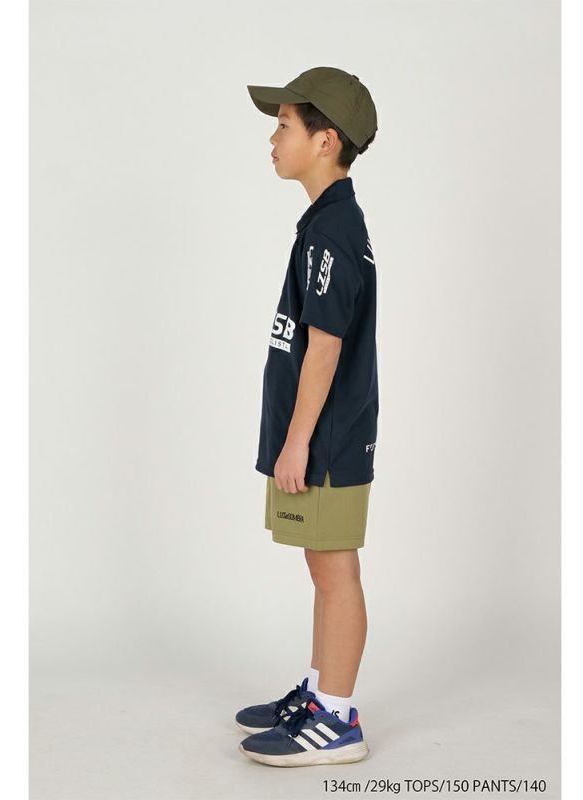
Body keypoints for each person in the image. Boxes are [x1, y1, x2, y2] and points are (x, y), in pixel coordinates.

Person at [235, 66, 380, 767]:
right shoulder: (324, 223)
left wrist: (296, 444)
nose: (273, 139)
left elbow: (326, 346)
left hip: (326, 438)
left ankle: (338, 719)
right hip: (318, 435)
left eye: (284, 126)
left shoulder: (334, 231)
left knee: (334, 569)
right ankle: (322, 695)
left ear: (326, 141)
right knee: (323, 567)